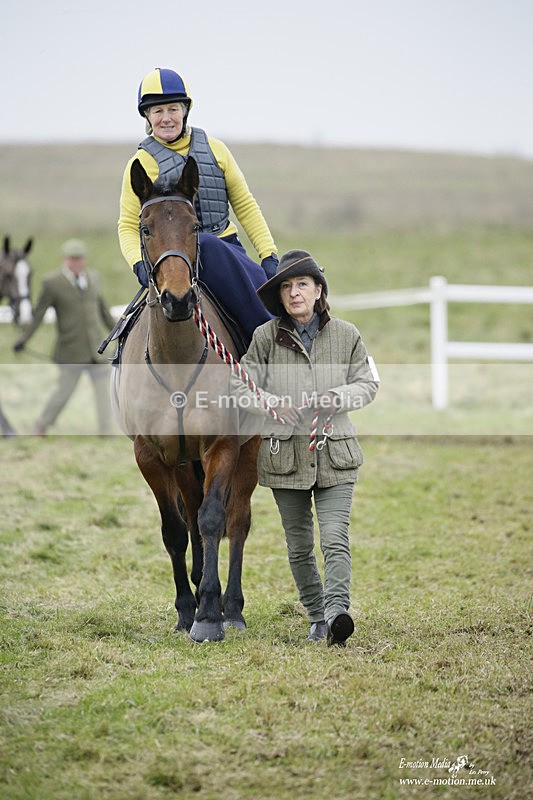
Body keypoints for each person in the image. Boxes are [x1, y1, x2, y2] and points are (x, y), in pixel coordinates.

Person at [236, 250, 379, 646]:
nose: (294, 293)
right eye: (286, 287)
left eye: (302, 284)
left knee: (334, 537)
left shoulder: (347, 335)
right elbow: (240, 385)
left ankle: (337, 614)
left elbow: (368, 384)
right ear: (280, 297)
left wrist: (338, 396)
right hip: (286, 460)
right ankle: (317, 616)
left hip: (336, 455)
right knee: (299, 545)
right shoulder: (265, 338)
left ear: (318, 290)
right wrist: (270, 404)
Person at [118, 67, 279, 343]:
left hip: (225, 249)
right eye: (157, 111)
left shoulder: (216, 150)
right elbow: (127, 226)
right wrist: (139, 266)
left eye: (173, 109)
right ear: (147, 116)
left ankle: (274, 343)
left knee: (268, 294)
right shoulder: (139, 164)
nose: (166, 118)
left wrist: (268, 254)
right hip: (170, 259)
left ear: (185, 111)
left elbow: (245, 205)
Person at [13, 239, 115, 436]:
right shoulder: (52, 283)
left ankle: (106, 432)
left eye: (79, 259)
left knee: (104, 392)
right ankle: (42, 424)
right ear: (64, 259)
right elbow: (39, 315)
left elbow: (103, 310)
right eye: (72, 259)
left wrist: (119, 331)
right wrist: (24, 340)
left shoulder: (94, 278)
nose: (76, 263)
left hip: (96, 348)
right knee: (63, 392)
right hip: (71, 350)